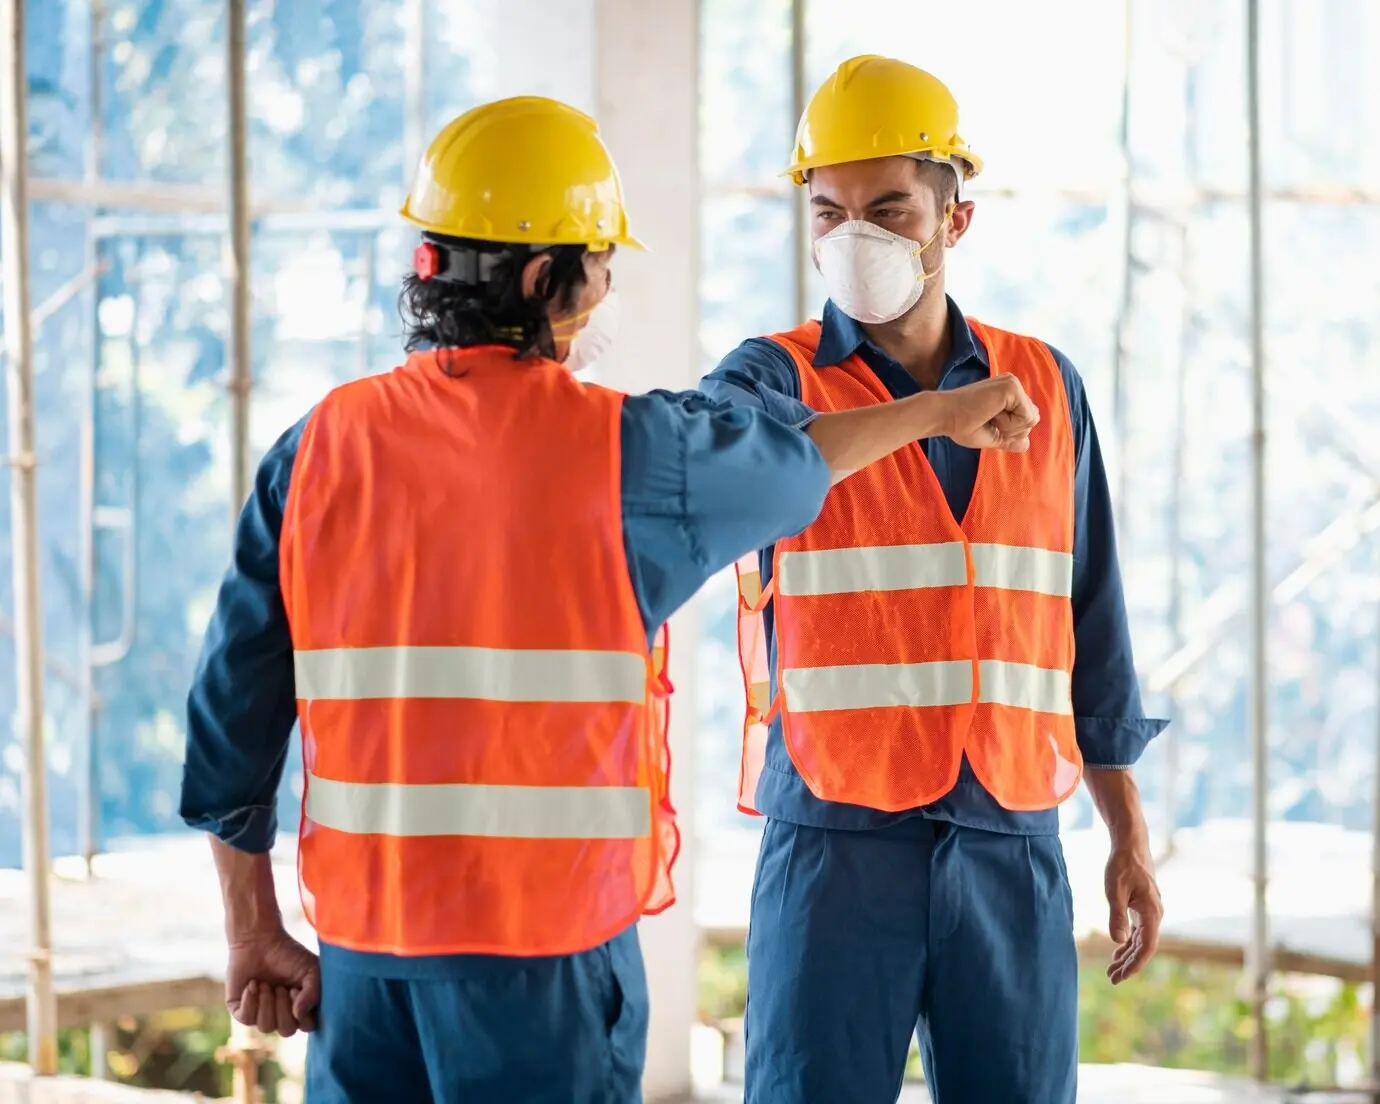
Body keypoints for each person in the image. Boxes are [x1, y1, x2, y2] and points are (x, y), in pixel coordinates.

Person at [178, 93, 1046, 1104]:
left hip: (366, 963)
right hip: (541, 960)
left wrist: (251, 927)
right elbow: (798, 462)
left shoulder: (313, 450)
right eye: (600, 267)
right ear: (547, 278)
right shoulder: (628, 454)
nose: (604, 293)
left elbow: (229, 719)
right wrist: (941, 412)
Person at [700, 56, 1171, 1104]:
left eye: (887, 209)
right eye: (827, 211)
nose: (852, 237)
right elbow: (722, 463)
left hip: (1009, 831)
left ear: (953, 221)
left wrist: (1128, 836)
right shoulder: (769, 377)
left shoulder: (1045, 385)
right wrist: (934, 416)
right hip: (836, 840)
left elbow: (1091, 625)